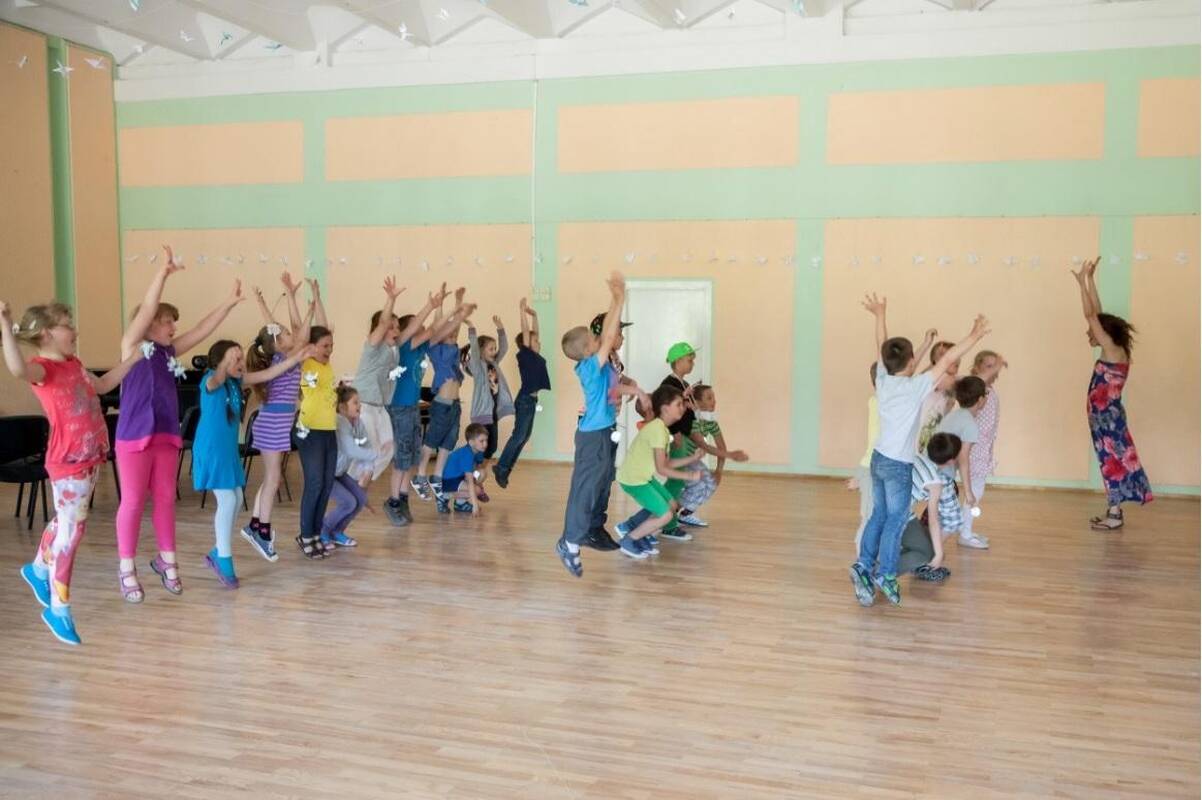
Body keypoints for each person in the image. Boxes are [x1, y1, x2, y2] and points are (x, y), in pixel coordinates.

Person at [1, 300, 140, 645]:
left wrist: (133, 360)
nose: (75, 330)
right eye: (67, 324)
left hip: (90, 458)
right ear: (47, 333)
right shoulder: (42, 369)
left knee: (67, 520)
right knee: (72, 532)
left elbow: (103, 385)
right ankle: (58, 608)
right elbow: (16, 369)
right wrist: (5, 323)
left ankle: (37, 569)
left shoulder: (74, 364)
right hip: (68, 462)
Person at [115, 245, 243, 602]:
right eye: (168, 321)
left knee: (165, 500)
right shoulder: (132, 345)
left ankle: (167, 561)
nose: (174, 327)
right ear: (150, 322)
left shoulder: (169, 352)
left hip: (166, 436)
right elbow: (147, 311)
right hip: (134, 438)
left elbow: (202, 330)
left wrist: (229, 303)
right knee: (133, 502)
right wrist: (163, 274)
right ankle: (126, 567)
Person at [850, 292, 990, 608]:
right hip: (898, 465)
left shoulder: (883, 379)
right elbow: (947, 359)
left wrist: (879, 315)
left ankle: (863, 564)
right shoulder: (916, 387)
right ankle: (886, 574)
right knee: (895, 520)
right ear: (913, 362)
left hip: (878, 460)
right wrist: (974, 335)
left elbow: (881, 344)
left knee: (878, 516)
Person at [192, 338, 313, 587]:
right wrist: (221, 367)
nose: (241, 362)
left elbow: (269, 373)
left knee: (236, 499)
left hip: (227, 453)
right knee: (227, 500)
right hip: (212, 451)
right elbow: (215, 381)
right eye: (234, 359)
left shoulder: (237, 382)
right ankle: (224, 559)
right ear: (220, 363)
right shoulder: (211, 381)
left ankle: (218, 551)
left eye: (240, 357)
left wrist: (296, 358)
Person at [555, 272, 648, 577]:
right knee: (584, 489)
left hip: (603, 432)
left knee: (600, 483)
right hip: (592, 436)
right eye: (594, 340)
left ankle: (587, 533)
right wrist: (618, 299)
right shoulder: (589, 367)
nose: (601, 340)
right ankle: (569, 543)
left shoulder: (599, 364)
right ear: (586, 350)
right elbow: (607, 336)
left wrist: (615, 301)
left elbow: (607, 334)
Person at [1072, 256, 1152, 529]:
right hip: (1104, 418)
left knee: (1112, 462)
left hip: (1108, 419)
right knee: (1110, 461)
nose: (1089, 333)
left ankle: (1114, 515)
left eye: (1092, 331)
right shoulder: (1113, 349)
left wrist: (1082, 284)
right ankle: (1113, 510)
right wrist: (1089, 279)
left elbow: (1091, 315)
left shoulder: (1112, 350)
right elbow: (1097, 314)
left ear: (1103, 333)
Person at [242, 271, 314, 561]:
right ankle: (262, 531)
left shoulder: (279, 354)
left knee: (272, 479)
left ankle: (254, 525)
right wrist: (304, 305)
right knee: (273, 480)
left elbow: (274, 328)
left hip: (275, 423)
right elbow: (298, 333)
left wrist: (264, 303)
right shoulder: (285, 358)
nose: (291, 335)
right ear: (279, 343)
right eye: (285, 335)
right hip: (272, 424)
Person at [382, 285, 457, 526]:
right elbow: (429, 329)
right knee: (402, 459)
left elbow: (438, 331)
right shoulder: (403, 346)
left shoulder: (420, 348)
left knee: (412, 458)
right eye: (418, 327)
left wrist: (452, 311)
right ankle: (393, 501)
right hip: (400, 409)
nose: (423, 330)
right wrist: (434, 306)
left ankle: (403, 498)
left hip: (412, 408)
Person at [613, 385, 702, 559]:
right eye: (678, 404)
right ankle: (629, 540)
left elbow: (666, 462)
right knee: (666, 515)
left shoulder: (661, 429)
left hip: (643, 477)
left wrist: (692, 458)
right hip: (634, 480)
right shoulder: (657, 430)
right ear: (665, 408)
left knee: (671, 505)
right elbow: (662, 469)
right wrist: (689, 475)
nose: (683, 407)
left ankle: (637, 531)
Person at [411, 288, 476, 501]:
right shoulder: (436, 351)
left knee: (449, 442)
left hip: (454, 405)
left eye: (455, 334)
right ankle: (420, 476)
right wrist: (439, 306)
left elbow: (454, 326)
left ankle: (437, 477)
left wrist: (459, 301)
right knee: (431, 441)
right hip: (442, 404)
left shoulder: (454, 350)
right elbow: (438, 326)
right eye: (450, 333)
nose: (454, 335)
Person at [295, 279, 338, 560]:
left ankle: (315, 533)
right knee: (314, 483)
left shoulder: (327, 363)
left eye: (331, 345)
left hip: (328, 430)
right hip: (309, 430)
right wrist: (305, 303)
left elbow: (325, 326)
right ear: (312, 346)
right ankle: (305, 535)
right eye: (324, 345)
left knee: (326, 484)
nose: (329, 349)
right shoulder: (307, 361)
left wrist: (318, 296)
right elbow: (307, 333)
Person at [351, 276, 406, 484]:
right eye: (392, 327)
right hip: (364, 404)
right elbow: (383, 323)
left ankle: (359, 480)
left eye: (397, 327)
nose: (396, 330)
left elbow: (409, 331)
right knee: (371, 450)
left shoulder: (394, 350)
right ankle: (354, 481)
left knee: (388, 448)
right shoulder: (373, 347)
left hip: (380, 406)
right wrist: (391, 299)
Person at [493, 297, 550, 488]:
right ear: (526, 345)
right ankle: (501, 467)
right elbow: (527, 333)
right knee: (518, 436)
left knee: (524, 437)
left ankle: (505, 469)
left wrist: (535, 315)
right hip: (525, 400)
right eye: (535, 341)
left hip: (531, 401)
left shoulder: (535, 356)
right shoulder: (525, 356)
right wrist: (522, 311)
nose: (538, 341)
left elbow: (534, 333)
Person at [898, 432, 965, 582]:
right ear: (951, 460)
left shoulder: (911, 456)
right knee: (928, 552)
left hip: (879, 510)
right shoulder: (938, 483)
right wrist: (938, 552)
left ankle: (872, 566)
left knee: (922, 542)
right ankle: (881, 573)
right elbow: (941, 520)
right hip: (898, 517)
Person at [935, 375, 990, 550]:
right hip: (941, 476)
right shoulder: (970, 424)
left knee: (942, 516)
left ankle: (931, 552)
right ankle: (931, 556)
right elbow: (963, 459)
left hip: (932, 471)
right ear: (980, 400)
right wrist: (969, 491)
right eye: (986, 394)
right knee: (954, 520)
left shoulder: (953, 416)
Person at [322, 386, 377, 548]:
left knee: (360, 499)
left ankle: (337, 531)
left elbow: (366, 446)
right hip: (326, 474)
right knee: (348, 502)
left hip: (339, 472)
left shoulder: (358, 423)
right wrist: (378, 454)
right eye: (355, 402)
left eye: (359, 402)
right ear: (342, 407)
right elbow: (351, 450)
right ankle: (323, 531)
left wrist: (368, 468)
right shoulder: (339, 421)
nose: (359, 406)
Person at [967, 349, 1007, 536]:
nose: (994, 370)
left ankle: (966, 530)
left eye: (995, 366)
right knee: (975, 491)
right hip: (974, 449)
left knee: (977, 490)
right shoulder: (975, 388)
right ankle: (965, 532)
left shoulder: (989, 390)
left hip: (983, 448)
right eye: (989, 366)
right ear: (977, 368)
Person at [465, 315, 514, 466]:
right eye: (490, 349)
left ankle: (479, 470)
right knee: (480, 446)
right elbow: (474, 351)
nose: (494, 351)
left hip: (492, 413)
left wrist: (500, 328)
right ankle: (472, 470)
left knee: (491, 447)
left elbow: (504, 348)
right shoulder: (478, 367)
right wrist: (471, 329)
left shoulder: (494, 363)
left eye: (494, 349)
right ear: (481, 350)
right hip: (481, 414)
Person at [852, 362, 879, 552]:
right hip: (870, 468)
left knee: (874, 517)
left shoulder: (877, 400)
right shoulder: (877, 401)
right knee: (868, 518)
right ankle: (861, 560)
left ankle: (868, 558)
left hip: (875, 468)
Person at [436, 423, 490, 515]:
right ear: (471, 442)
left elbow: (477, 469)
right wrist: (475, 505)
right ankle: (444, 495)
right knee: (476, 490)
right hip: (449, 481)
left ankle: (460, 504)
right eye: (481, 441)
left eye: (486, 440)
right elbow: (470, 481)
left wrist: (481, 488)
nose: (485, 444)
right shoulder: (467, 454)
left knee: (482, 473)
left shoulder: (479, 451)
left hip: (460, 477)